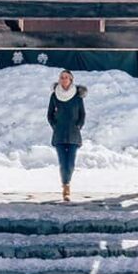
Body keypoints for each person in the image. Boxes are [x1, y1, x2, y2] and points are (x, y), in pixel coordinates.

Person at [47, 69, 87, 202]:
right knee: (62, 163)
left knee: (70, 163)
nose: (63, 79)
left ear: (71, 80)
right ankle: (66, 187)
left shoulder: (77, 96)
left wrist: (78, 126)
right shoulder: (54, 96)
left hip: (73, 135)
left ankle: (67, 182)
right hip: (59, 134)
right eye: (61, 77)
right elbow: (50, 115)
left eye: (66, 77)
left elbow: (82, 114)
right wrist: (55, 125)